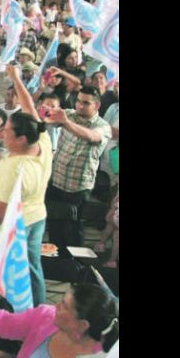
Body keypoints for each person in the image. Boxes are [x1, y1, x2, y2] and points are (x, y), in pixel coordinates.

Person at [0, 65, 53, 306]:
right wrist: (15, 77)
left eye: (6, 131)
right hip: (37, 217)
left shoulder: (15, 167)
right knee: (33, 267)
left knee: (5, 272)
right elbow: (29, 106)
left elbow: (0, 212)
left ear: (21, 139)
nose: (1, 133)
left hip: (12, 226)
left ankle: (12, 314)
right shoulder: (41, 140)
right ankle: (40, 309)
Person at [46, 85, 112, 248]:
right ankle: (57, 262)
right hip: (57, 181)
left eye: (85, 103)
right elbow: (43, 116)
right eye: (78, 101)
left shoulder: (103, 126)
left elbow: (90, 136)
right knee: (54, 226)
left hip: (78, 188)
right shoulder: (69, 114)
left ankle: (76, 267)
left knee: (72, 231)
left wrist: (65, 123)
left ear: (96, 105)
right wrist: (45, 109)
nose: (80, 106)